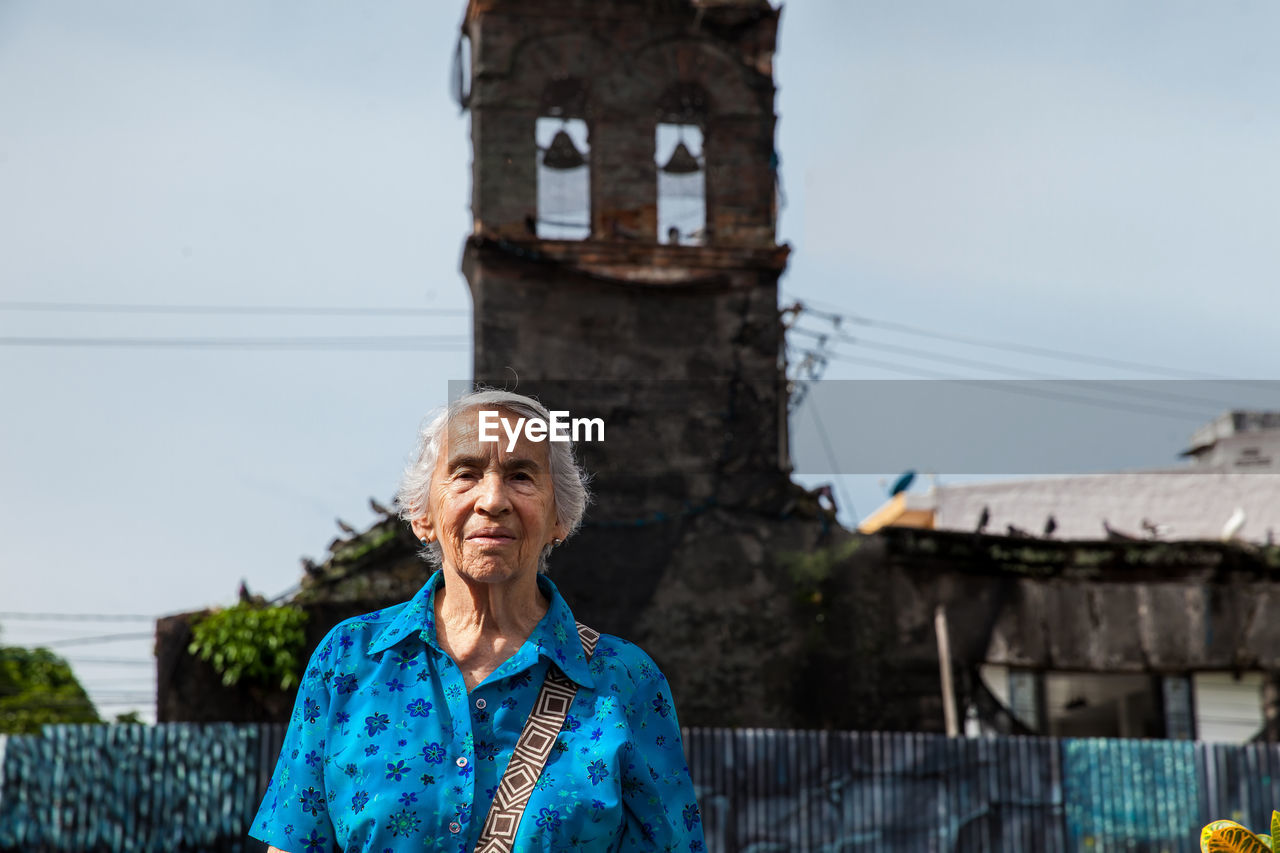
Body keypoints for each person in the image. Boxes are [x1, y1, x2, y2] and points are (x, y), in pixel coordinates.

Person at [250, 390, 705, 853]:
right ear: (422, 516)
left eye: (521, 476)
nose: (493, 500)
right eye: (465, 474)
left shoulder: (624, 680)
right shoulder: (348, 661)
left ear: (559, 518)